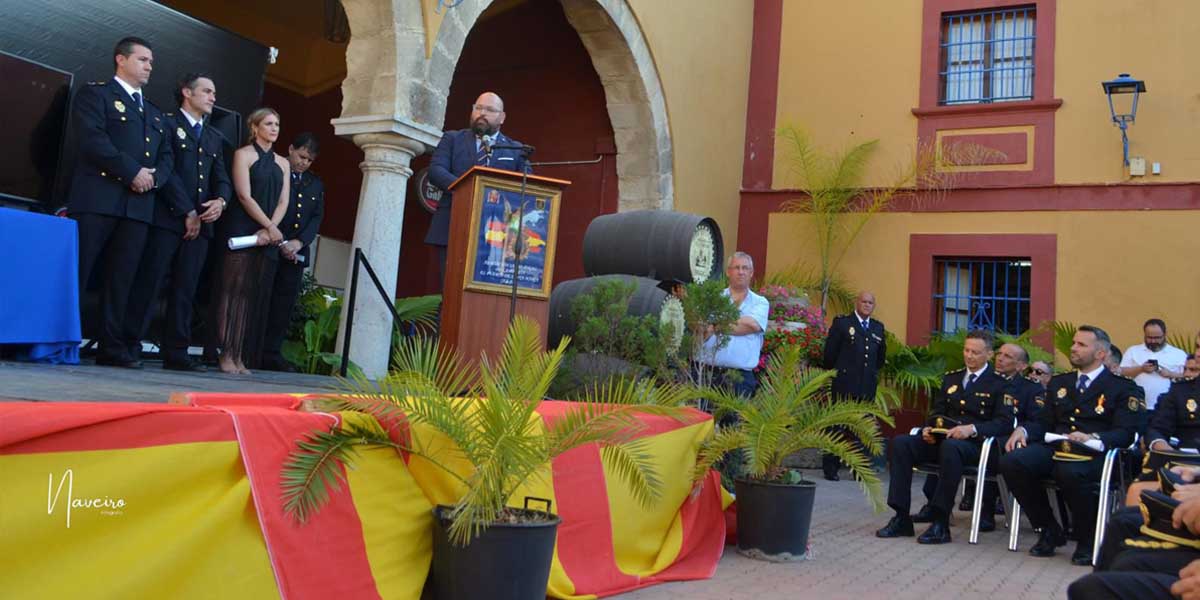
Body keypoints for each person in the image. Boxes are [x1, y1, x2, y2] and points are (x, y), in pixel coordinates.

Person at [69, 36, 173, 368]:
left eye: (151, 62)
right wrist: (132, 172)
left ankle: (111, 347)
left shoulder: (154, 112)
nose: (149, 66)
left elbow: (167, 156)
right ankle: (62, 340)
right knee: (79, 272)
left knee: (122, 280)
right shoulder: (96, 94)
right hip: (98, 199)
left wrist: (154, 178)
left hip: (138, 208)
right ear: (121, 59)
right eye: (143, 59)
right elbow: (93, 140)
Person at [1000, 325, 1143, 564]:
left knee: (1070, 471)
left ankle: (1087, 539)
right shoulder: (1060, 382)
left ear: (1100, 354)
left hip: (1094, 455)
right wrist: (1023, 429)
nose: (1073, 348)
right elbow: (1044, 422)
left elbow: (1126, 433)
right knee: (1013, 462)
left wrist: (1093, 437)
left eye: (1081, 345)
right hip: (1057, 447)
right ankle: (1048, 528)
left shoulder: (1122, 387)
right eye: (1074, 343)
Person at [123, 73, 229, 372]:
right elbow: (165, 172)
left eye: (214, 92)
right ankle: (130, 345)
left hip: (202, 224)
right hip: (168, 219)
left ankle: (177, 352)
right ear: (187, 92)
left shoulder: (213, 136)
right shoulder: (166, 124)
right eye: (206, 91)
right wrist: (186, 211)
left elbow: (221, 177)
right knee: (151, 283)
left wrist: (221, 202)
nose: (213, 97)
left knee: (186, 288)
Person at [876, 329, 1012, 544]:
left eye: (975, 352)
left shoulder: (1000, 384)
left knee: (951, 447)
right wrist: (928, 429)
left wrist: (972, 429)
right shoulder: (952, 378)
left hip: (975, 446)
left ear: (989, 354)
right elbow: (937, 413)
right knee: (901, 443)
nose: (969, 356)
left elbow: (1004, 423)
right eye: (966, 350)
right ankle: (901, 516)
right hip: (943, 441)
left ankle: (940, 521)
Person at [213, 108, 290, 374]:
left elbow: (284, 201)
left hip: (268, 235)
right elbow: (244, 195)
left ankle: (240, 354)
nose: (274, 128)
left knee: (250, 295)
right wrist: (268, 226)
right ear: (255, 127)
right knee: (232, 292)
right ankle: (226, 352)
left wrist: (271, 229)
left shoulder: (283, 163)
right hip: (243, 228)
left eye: (277, 124)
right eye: (268, 123)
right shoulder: (243, 155)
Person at [425, 92, 529, 286]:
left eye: (489, 110)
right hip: (453, 224)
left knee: (488, 289)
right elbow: (436, 170)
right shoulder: (453, 139)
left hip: (498, 231)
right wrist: (469, 190)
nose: (482, 113)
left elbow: (527, 183)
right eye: (478, 108)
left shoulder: (515, 149)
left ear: (502, 117)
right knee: (452, 286)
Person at [260, 133, 324, 372]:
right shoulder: (276, 171)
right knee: (261, 299)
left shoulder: (315, 183)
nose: (303, 163)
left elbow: (316, 217)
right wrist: (279, 240)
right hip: (271, 244)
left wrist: (299, 242)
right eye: (301, 156)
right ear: (290, 149)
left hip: (296, 251)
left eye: (309, 160)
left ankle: (271, 353)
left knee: (283, 305)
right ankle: (251, 350)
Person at [821, 291, 886, 480]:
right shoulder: (843, 323)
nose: (867, 305)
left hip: (866, 387)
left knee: (862, 429)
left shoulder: (877, 328)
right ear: (857, 303)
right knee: (837, 426)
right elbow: (830, 355)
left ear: (873, 306)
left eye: (870, 303)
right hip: (844, 385)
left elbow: (879, 359)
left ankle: (859, 470)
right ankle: (831, 468)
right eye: (864, 301)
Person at [696, 252, 768, 398]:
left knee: (735, 414)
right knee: (703, 413)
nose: (741, 272)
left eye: (745, 268)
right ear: (728, 272)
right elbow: (701, 328)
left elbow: (752, 325)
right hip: (707, 374)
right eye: (736, 267)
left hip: (740, 379)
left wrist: (715, 326)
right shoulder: (713, 298)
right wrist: (740, 322)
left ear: (751, 273)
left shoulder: (760, 302)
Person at [1121, 319, 1188, 410]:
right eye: (1149, 337)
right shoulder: (1133, 351)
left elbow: (1188, 378)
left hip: (1167, 408)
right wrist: (1141, 369)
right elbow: (1121, 373)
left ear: (1165, 335)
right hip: (1137, 407)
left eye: (1157, 338)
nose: (1153, 341)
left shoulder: (1178, 354)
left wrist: (1170, 374)